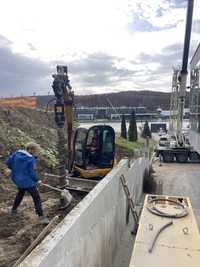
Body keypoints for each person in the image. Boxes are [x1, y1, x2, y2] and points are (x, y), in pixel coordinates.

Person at [6, 142, 49, 225]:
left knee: (20, 193)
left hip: (18, 180)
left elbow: (8, 163)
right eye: (35, 150)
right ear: (31, 149)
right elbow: (31, 173)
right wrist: (37, 180)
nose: (35, 152)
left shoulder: (16, 154)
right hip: (27, 182)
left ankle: (13, 210)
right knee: (36, 198)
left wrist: (16, 170)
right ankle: (41, 217)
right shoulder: (30, 159)